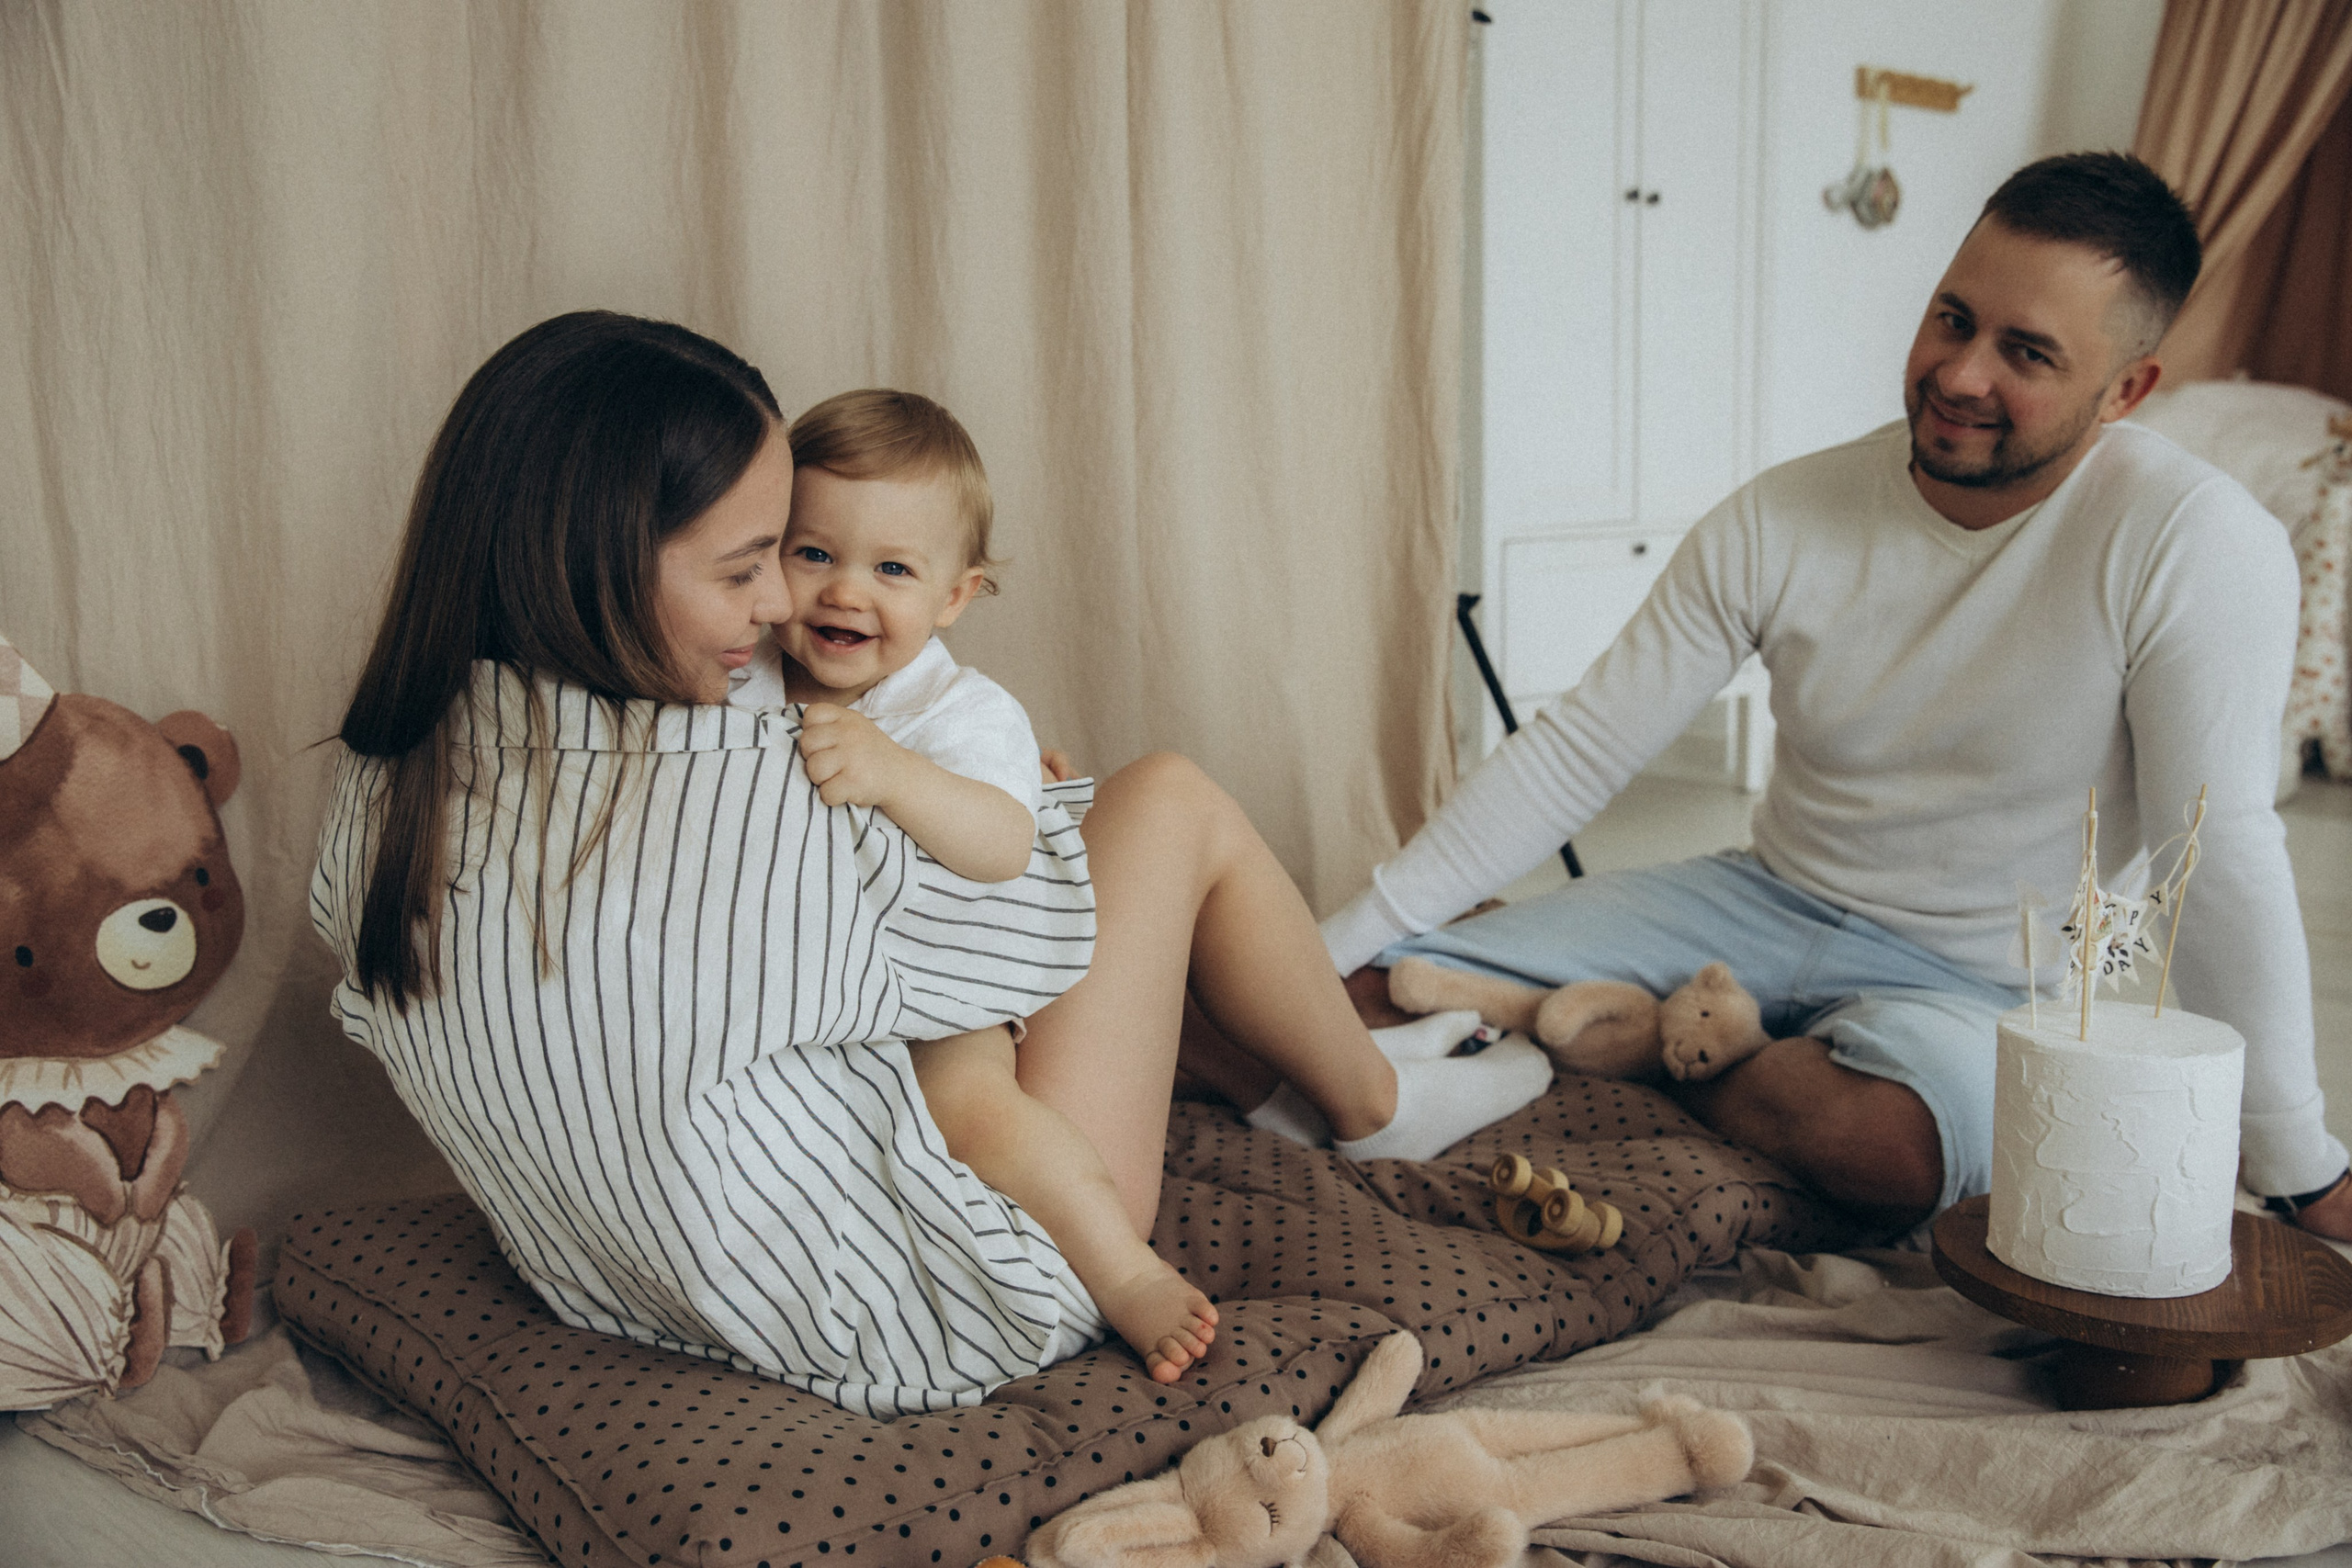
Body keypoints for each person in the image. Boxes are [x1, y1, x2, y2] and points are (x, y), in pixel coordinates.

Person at [311, 310, 1551, 1418]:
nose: (779, 609)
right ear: (597, 560)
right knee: (1164, 803)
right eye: (754, 566)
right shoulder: (737, 783)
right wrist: (1039, 820)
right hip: (935, 1296)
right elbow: (1020, 943)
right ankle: (1370, 1105)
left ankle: (1290, 1075)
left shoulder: (383, 788)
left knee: (1078, 842)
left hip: (625, 1285)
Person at [1317, 152, 2352, 1242]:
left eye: (2025, 353)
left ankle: (1665, 1045)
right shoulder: (1785, 513)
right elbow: (1580, 749)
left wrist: (2297, 1161)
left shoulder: (2195, 542)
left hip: (1983, 983)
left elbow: (2212, 848)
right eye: (1952, 319)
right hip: (1754, 901)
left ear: (2125, 392)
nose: (1960, 375)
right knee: (1360, 1001)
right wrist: (1337, 943)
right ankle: (1665, 1037)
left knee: (1892, 1147)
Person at [728, 386, 1219, 1382]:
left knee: (973, 1112)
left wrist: (895, 774)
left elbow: (1002, 841)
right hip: (814, 1007)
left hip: (940, 1000)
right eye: (813, 553)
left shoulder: (958, 711)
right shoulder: (745, 682)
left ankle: (1123, 1271)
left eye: (892, 569)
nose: (845, 592)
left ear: (955, 597)